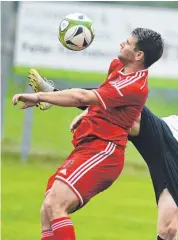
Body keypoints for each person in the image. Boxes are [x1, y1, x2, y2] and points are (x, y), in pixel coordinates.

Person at [27, 52, 178, 239]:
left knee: (168, 229)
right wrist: (97, 112)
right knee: (125, 105)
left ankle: (93, 107)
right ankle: (55, 95)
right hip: (167, 132)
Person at [12, 27, 164, 240]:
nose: (122, 44)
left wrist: (40, 97)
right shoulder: (118, 67)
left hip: (104, 151)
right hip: (88, 147)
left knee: (56, 204)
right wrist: (88, 115)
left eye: (128, 43)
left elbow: (82, 97)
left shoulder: (134, 85)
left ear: (139, 55)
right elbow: (103, 101)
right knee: (47, 209)